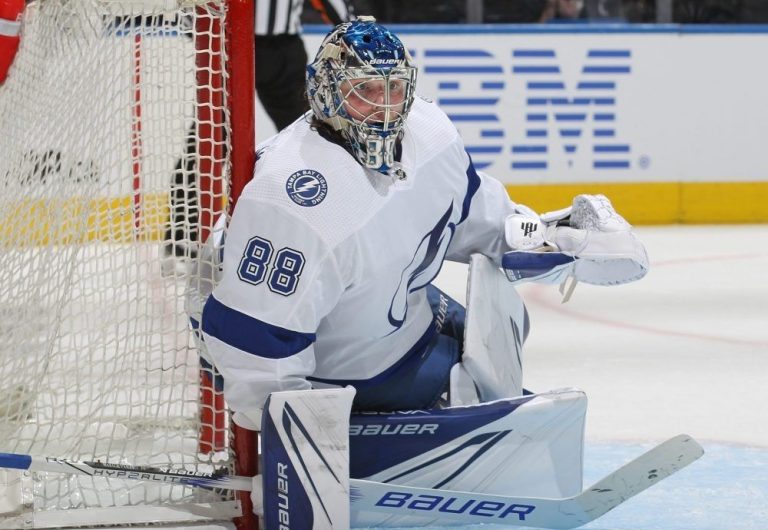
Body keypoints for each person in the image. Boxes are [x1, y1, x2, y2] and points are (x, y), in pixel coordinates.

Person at [199, 16, 648, 432]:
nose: (386, 109)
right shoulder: (293, 198)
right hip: (337, 369)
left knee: (502, 327)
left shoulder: (428, 131)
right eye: (365, 91)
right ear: (325, 94)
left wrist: (548, 242)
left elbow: (472, 215)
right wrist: (301, 436)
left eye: (395, 89)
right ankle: (441, 425)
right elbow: (254, 338)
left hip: (401, 321)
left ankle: (457, 412)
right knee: (464, 370)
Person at [256, 0, 353, 131]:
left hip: (278, 49)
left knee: (300, 126)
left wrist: (351, 31)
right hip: (275, 47)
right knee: (300, 126)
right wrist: (353, 32)